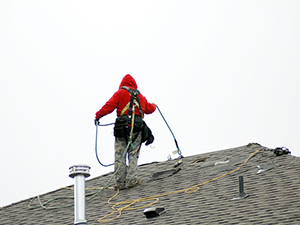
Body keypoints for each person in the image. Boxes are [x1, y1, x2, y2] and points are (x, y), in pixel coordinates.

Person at [95, 74, 156, 189]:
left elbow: (109, 106)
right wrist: (154, 105)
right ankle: (132, 180)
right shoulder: (140, 97)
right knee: (133, 154)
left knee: (120, 155)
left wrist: (98, 116)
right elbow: (149, 109)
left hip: (122, 130)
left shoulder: (120, 94)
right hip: (137, 130)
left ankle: (120, 183)